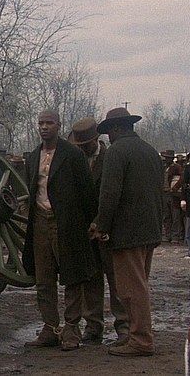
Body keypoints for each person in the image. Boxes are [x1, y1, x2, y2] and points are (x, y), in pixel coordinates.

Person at [88, 107, 162, 357]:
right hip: (149, 230)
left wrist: (101, 226)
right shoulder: (149, 151)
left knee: (132, 290)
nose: (108, 137)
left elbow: (110, 193)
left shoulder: (116, 152)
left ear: (118, 128)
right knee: (140, 284)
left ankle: (141, 340)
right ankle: (134, 335)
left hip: (127, 233)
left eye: (110, 131)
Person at [22, 110, 98, 351]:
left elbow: (87, 192)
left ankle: (72, 329)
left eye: (49, 123)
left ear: (58, 126)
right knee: (43, 280)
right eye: (41, 123)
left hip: (67, 224)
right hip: (40, 223)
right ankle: (50, 328)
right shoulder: (33, 157)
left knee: (72, 277)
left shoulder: (73, 155)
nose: (44, 127)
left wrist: (88, 223)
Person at [68, 117, 128, 346]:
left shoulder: (110, 157)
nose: (82, 148)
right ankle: (93, 327)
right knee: (91, 280)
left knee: (116, 280)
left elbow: (116, 195)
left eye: (85, 145)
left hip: (108, 229)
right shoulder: (75, 161)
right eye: (79, 145)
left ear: (96, 140)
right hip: (85, 231)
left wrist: (101, 223)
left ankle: (123, 327)